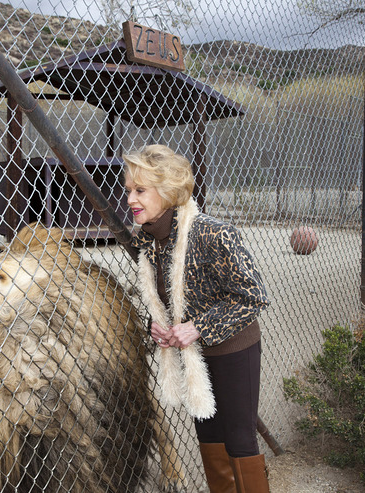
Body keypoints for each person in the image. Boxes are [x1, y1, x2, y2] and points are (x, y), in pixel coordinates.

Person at [122, 144, 271, 493]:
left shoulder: (212, 233)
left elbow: (252, 296)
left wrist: (198, 327)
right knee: (210, 438)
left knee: (238, 440)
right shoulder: (148, 241)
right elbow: (167, 301)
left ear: (169, 190)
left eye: (140, 190)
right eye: (129, 190)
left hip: (234, 348)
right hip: (195, 355)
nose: (130, 199)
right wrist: (155, 326)